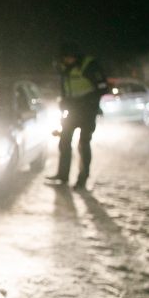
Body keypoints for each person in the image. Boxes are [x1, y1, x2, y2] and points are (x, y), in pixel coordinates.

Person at [46, 42, 109, 190]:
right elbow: (66, 88)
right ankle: (62, 176)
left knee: (83, 144)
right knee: (64, 141)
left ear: (75, 57)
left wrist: (85, 101)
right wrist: (64, 101)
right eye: (65, 58)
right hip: (72, 111)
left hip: (87, 112)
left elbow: (103, 87)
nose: (67, 61)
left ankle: (82, 179)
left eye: (69, 58)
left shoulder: (89, 66)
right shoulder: (64, 68)